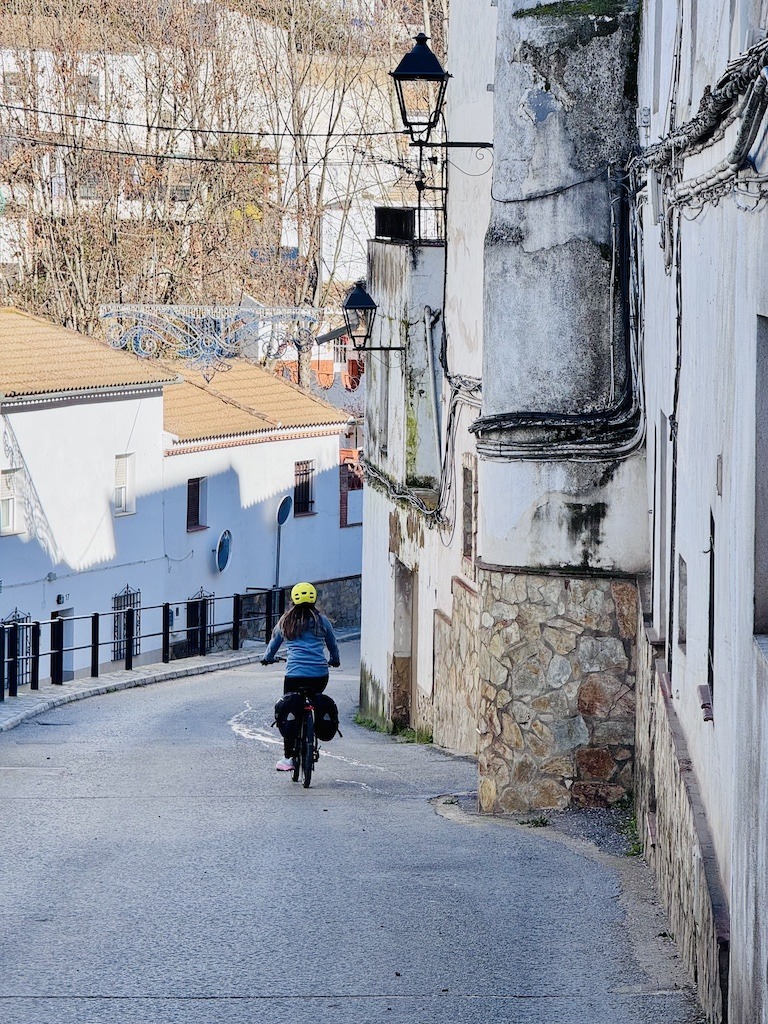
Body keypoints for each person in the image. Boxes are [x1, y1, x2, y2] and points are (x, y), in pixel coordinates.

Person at [261, 582, 340, 771]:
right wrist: (334, 660)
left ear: (293, 600)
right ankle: (312, 729)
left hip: (294, 675)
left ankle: (288, 757)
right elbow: (332, 644)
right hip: (320, 675)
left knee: (290, 710)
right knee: (314, 699)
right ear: (314, 599)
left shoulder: (286, 621)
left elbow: (274, 643)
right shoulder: (322, 621)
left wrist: (267, 658)